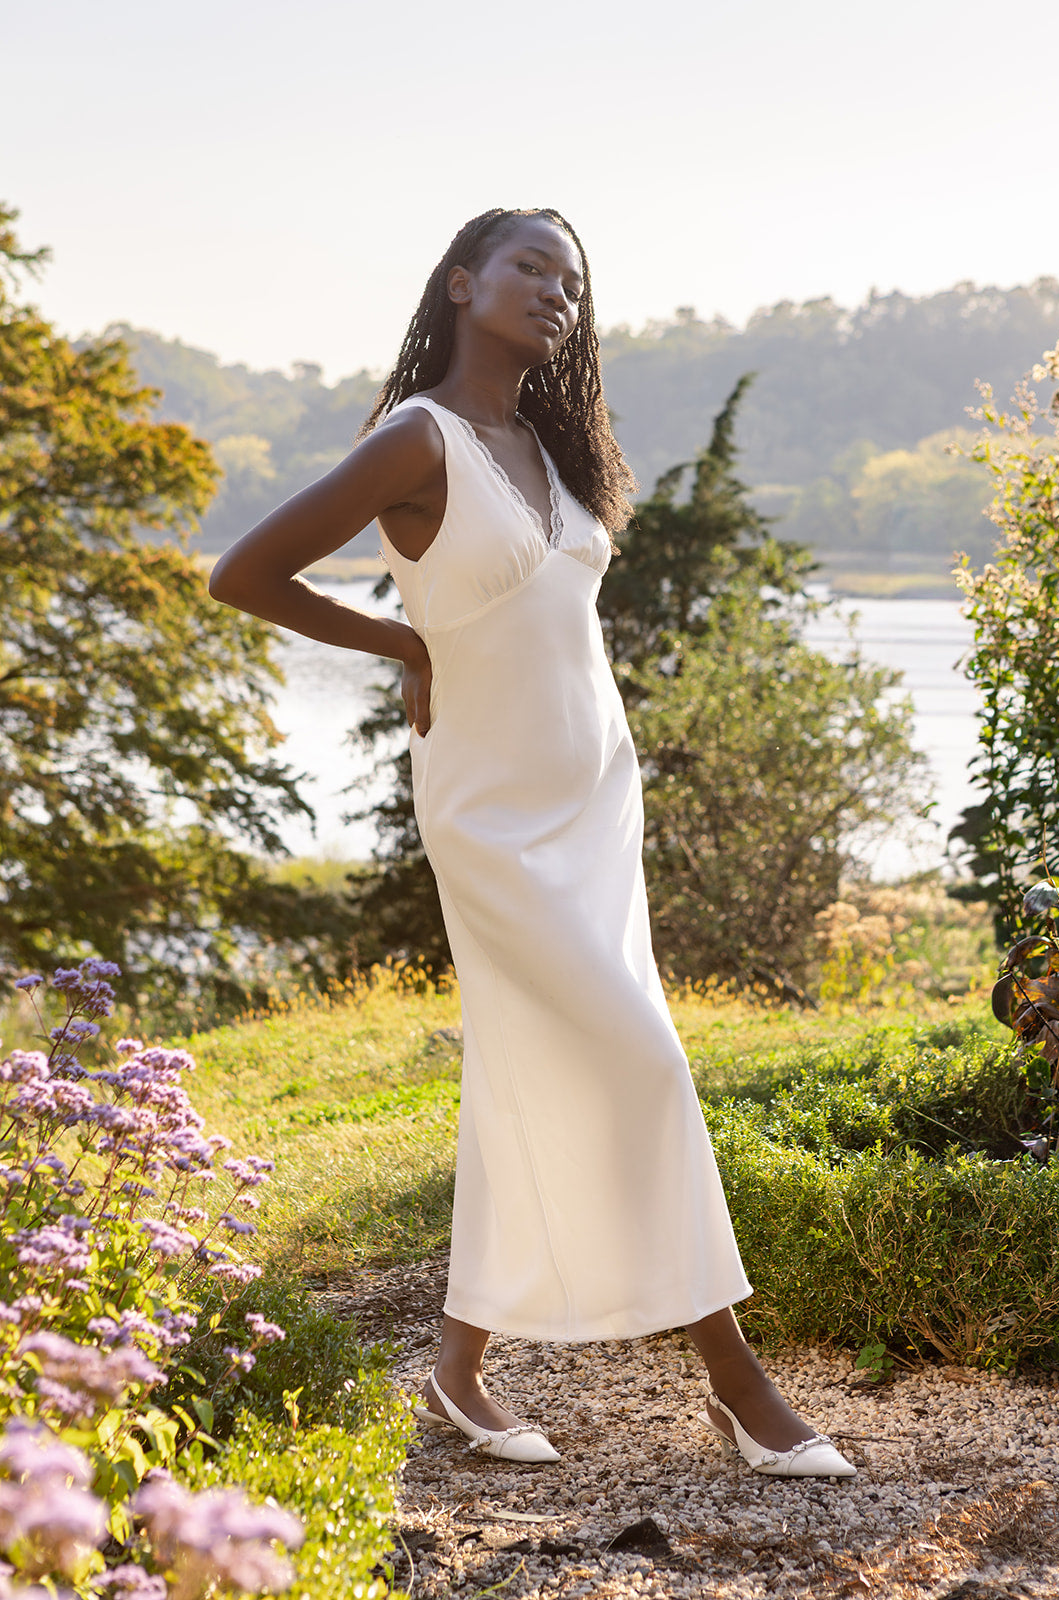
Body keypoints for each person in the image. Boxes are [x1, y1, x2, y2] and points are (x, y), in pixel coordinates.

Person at [209, 207, 855, 1478]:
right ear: (461, 283)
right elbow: (245, 572)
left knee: (529, 1063)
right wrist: (399, 642)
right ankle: (736, 1385)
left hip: (593, 796)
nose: (555, 292)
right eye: (529, 267)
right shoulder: (419, 438)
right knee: (641, 1063)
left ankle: (457, 1369)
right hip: (491, 808)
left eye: (571, 279)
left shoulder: (551, 448)